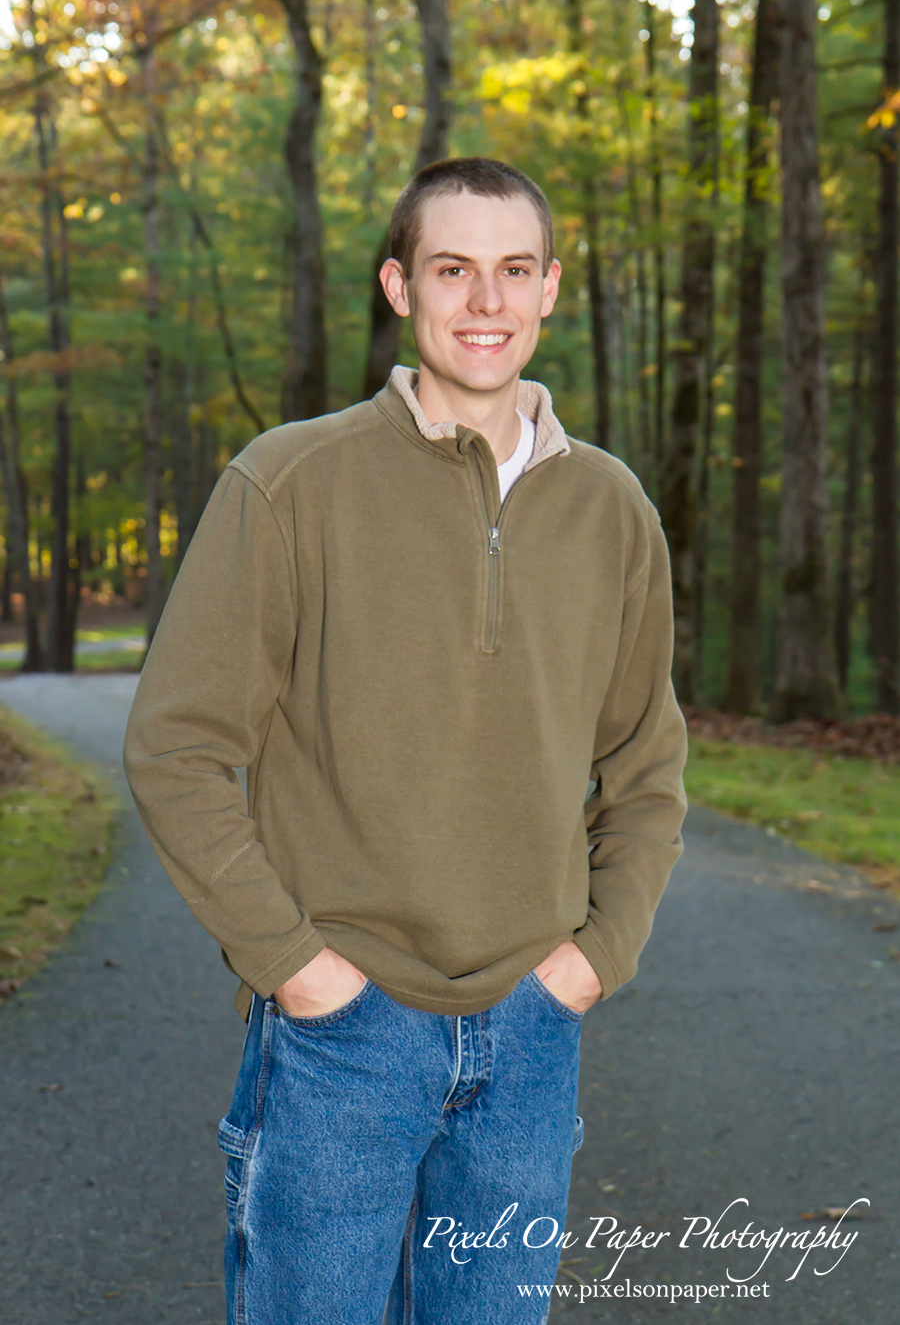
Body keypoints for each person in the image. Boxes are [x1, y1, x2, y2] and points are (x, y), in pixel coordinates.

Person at [122, 156, 688, 1325]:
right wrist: (297, 967)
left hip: (531, 1040)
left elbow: (646, 762)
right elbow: (176, 746)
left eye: (513, 271)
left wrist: (593, 960)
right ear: (398, 286)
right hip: (341, 1037)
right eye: (452, 269)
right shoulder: (289, 482)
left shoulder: (613, 510)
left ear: (550, 290)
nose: (485, 302)